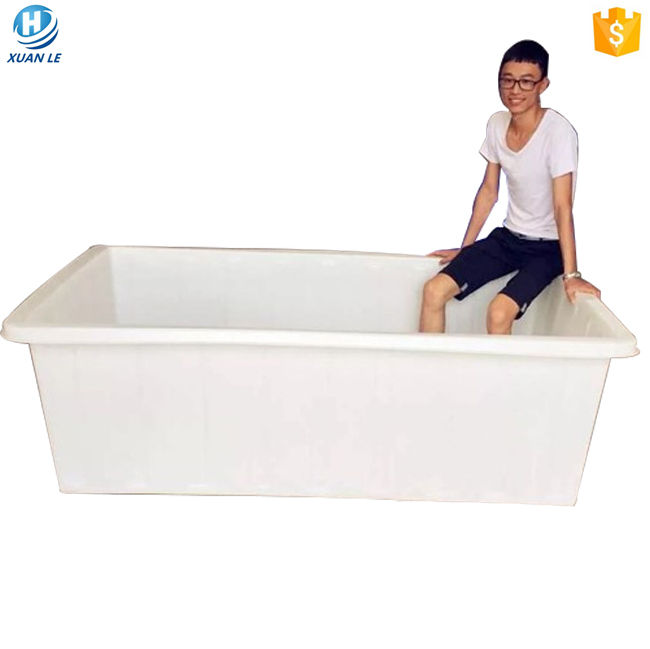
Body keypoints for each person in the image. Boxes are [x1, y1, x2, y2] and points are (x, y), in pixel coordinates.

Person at [418, 39, 600, 336]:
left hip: (547, 247)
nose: (515, 90)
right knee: (433, 290)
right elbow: (489, 191)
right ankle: (429, 366)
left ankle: (498, 371)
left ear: (543, 85)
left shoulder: (558, 132)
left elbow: (562, 206)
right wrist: (466, 249)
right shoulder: (496, 124)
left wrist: (572, 274)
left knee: (499, 311)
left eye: (526, 82)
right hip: (508, 239)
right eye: (507, 80)